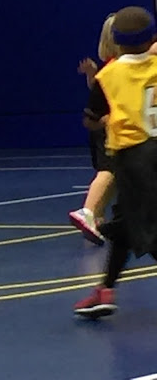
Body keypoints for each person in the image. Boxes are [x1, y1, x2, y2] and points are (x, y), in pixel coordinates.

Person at [73, 6, 157, 318]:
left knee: (143, 231)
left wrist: (109, 119)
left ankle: (105, 289)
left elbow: (91, 119)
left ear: (116, 42)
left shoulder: (109, 76)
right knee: (125, 227)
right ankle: (106, 289)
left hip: (134, 160)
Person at [69, 14, 119, 246]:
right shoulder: (116, 68)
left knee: (115, 175)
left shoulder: (111, 67)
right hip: (108, 127)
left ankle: (96, 217)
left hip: (109, 126)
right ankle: (88, 211)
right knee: (108, 171)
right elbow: (99, 97)